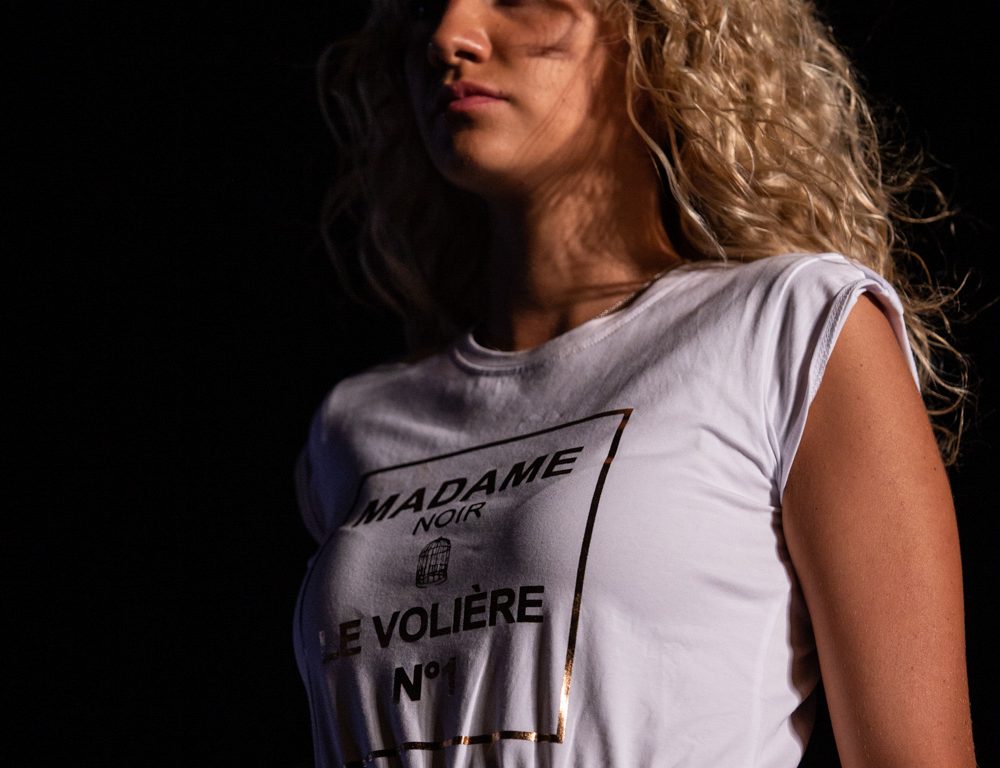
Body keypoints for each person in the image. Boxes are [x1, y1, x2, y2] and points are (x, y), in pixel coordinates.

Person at [294, 0, 977, 765]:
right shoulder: (355, 424)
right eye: (426, 6)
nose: (450, 36)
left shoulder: (793, 329)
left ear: (655, 31)